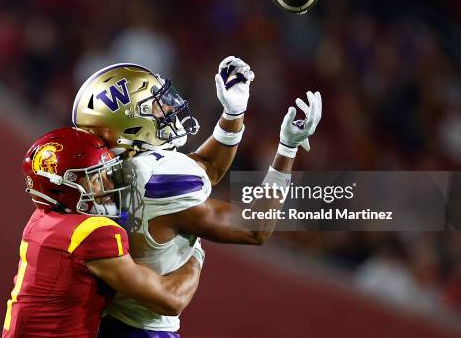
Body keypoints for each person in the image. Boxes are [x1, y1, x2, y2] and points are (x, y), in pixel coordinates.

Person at [72, 57, 322, 336]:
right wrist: (288, 149)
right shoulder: (157, 179)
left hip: (101, 323)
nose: (167, 108)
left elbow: (206, 167)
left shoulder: (102, 172)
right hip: (144, 330)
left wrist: (232, 115)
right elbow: (255, 228)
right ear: (129, 124)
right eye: (154, 105)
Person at [2, 127, 204, 338]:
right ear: (64, 188)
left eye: (106, 173)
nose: (109, 184)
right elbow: (171, 300)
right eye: (96, 179)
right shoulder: (91, 232)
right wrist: (194, 251)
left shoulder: (41, 219)